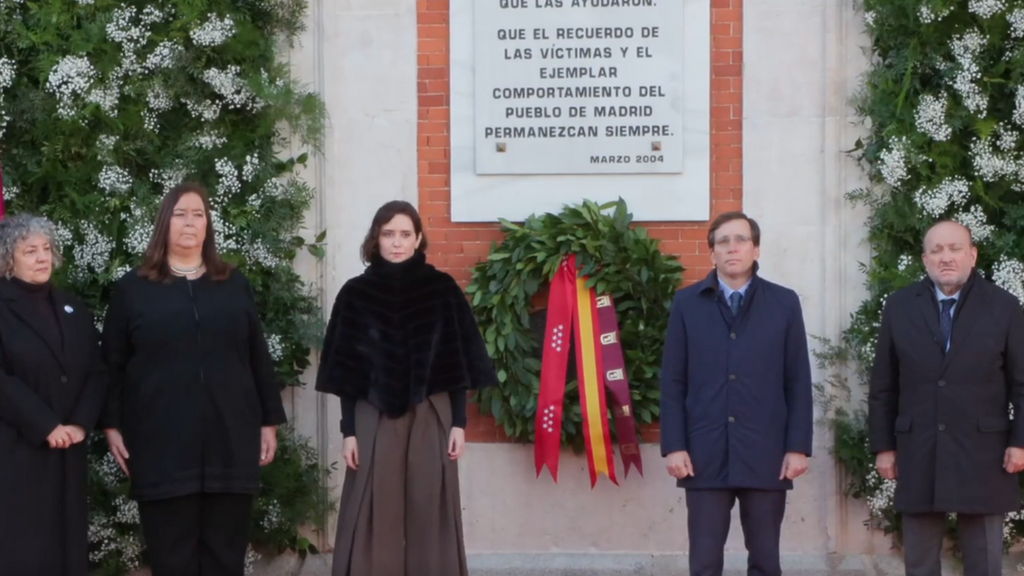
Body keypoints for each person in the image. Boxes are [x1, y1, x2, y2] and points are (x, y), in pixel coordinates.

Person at [99, 183, 287, 576]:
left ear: (208, 225)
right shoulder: (132, 289)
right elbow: (112, 365)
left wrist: (269, 420)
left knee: (225, 558)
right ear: (164, 223)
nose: (190, 222)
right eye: (181, 214)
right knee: (172, 559)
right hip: (161, 448)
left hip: (230, 442)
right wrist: (111, 424)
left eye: (198, 214)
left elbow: (257, 355)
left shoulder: (233, 284)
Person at [315, 199, 497, 576]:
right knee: (371, 508)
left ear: (418, 239)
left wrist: (459, 423)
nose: (396, 242)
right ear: (376, 239)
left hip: (431, 411)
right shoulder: (355, 294)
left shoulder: (442, 290)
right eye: (388, 234)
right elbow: (346, 372)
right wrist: (349, 431)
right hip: (372, 413)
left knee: (430, 507)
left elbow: (456, 361)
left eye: (404, 234)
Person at [659, 211, 814, 576]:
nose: (732, 248)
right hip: (703, 453)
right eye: (723, 241)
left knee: (765, 560)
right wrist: (674, 445)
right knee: (704, 562)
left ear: (756, 249)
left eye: (741, 240)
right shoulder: (686, 304)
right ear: (711, 252)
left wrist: (797, 447)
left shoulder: (784, 303)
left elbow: (797, 379)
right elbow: (673, 381)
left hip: (766, 452)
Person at [868, 220, 1024, 576]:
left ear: (972, 255)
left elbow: (1022, 383)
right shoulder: (899, 306)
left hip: (985, 451)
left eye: (955, 248)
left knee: (984, 562)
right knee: (920, 563)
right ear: (925, 260)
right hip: (918, 448)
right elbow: (883, 384)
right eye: (936, 250)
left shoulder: (1004, 306)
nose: (946, 257)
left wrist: (1021, 442)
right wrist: (884, 446)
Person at [0, 214, 108, 576]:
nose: (42, 257)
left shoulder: (72, 307)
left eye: (46, 248)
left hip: (68, 452)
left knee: (67, 548)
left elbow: (96, 370)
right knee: (23, 549)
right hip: (17, 451)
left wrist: (80, 423)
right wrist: (45, 424)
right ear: (8, 257)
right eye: (30, 250)